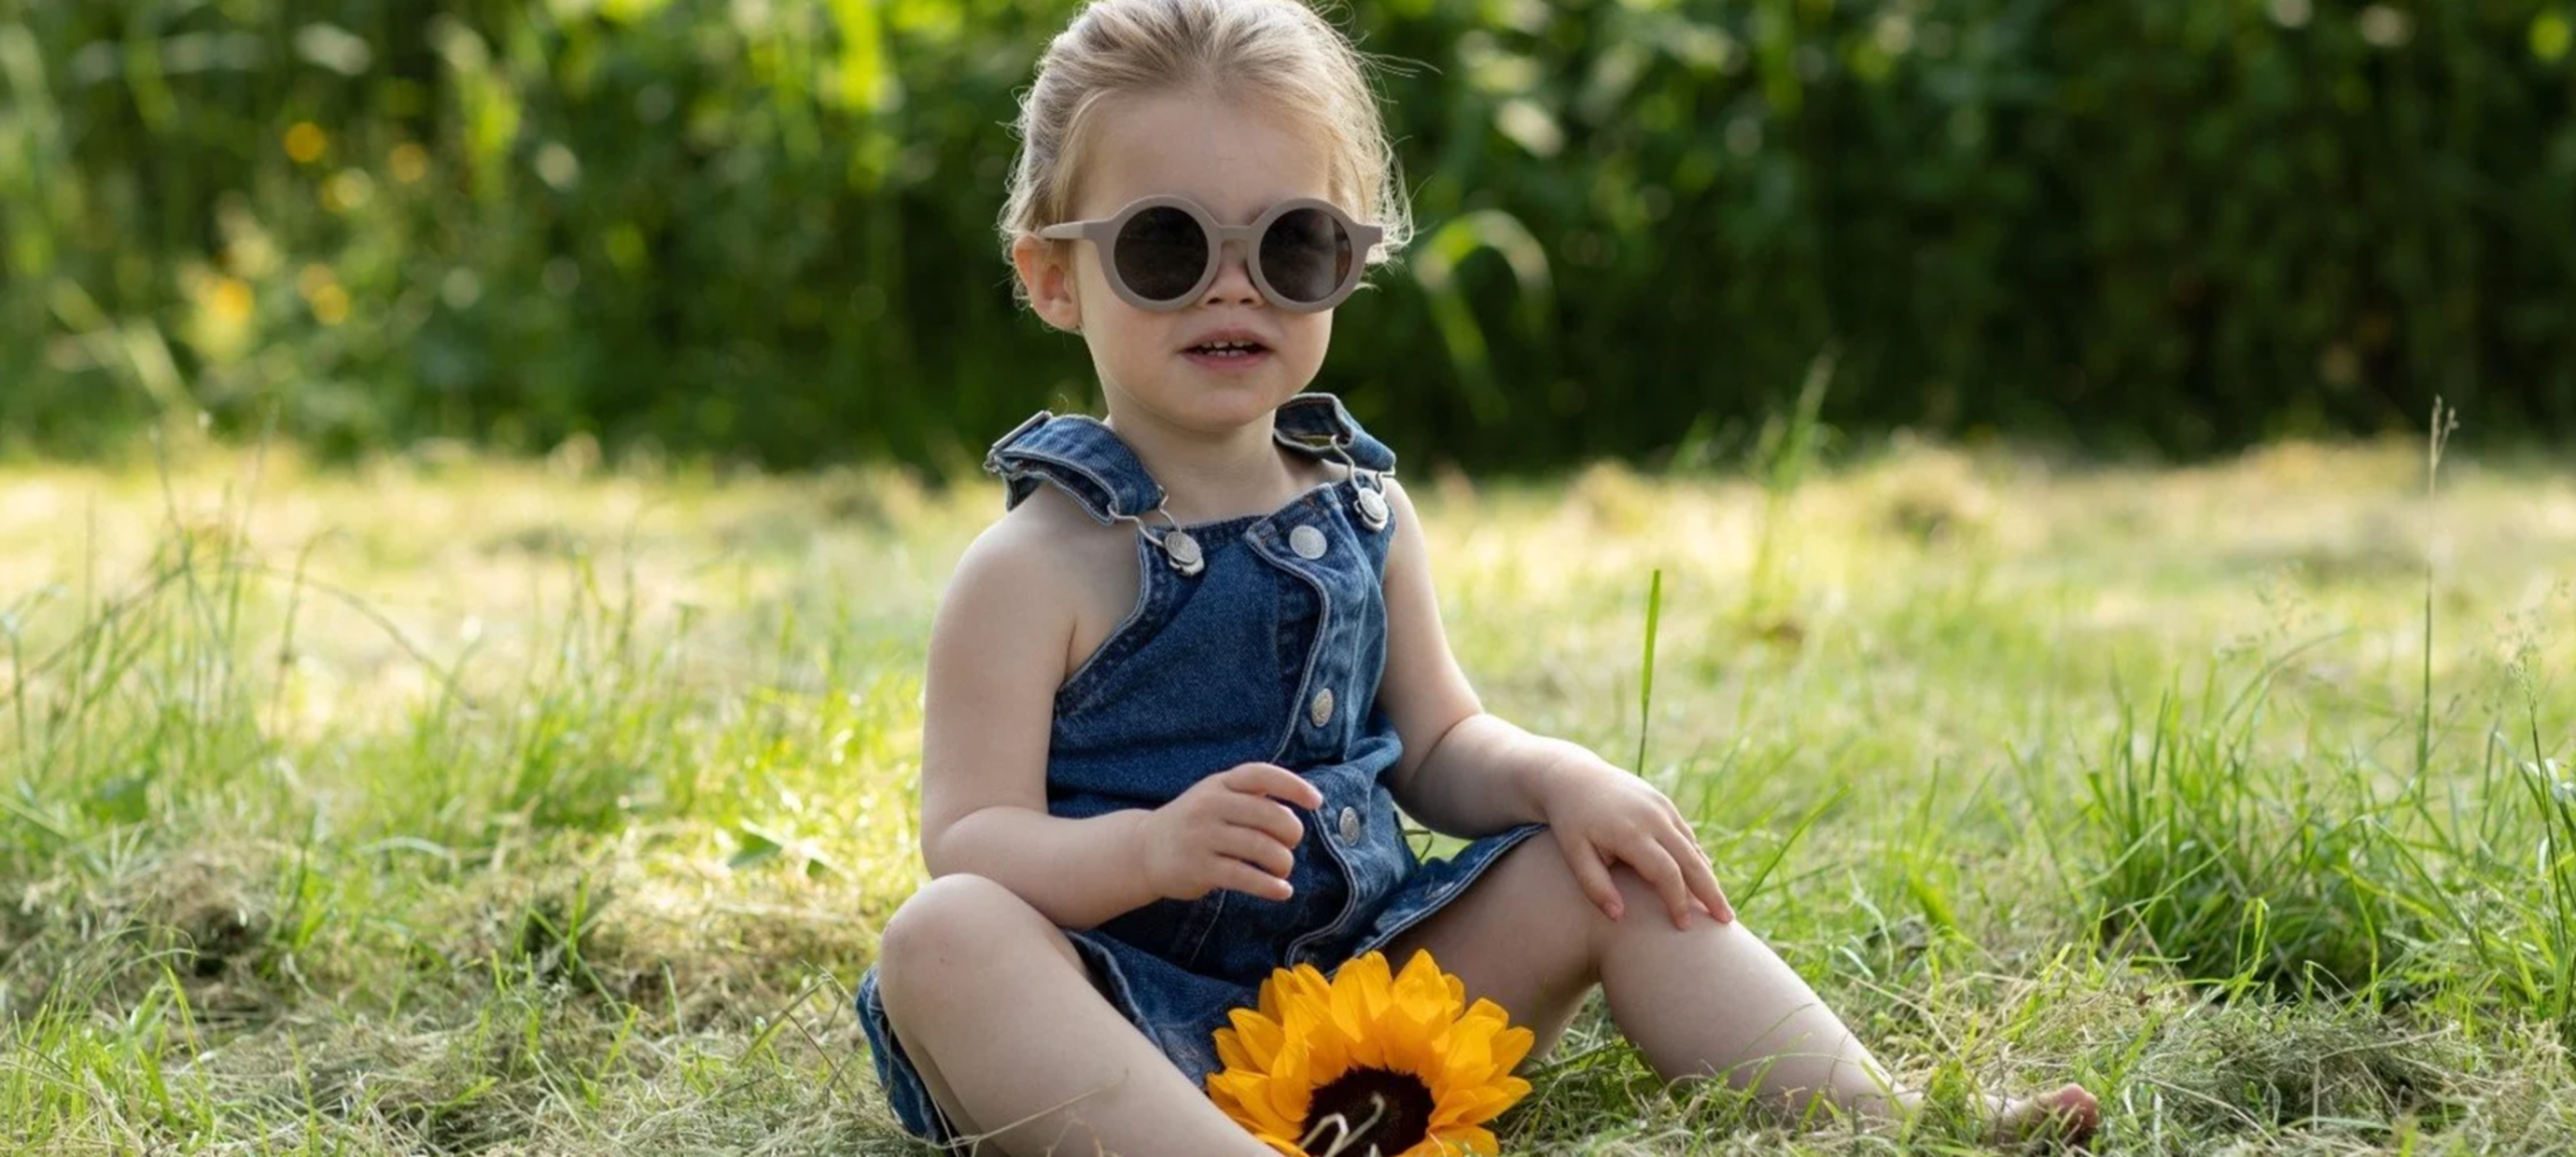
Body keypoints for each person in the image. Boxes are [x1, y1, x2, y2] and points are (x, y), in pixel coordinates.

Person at [855, 1, 2102, 1152]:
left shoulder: (1362, 509)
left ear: (1351, 262)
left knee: (1596, 863)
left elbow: (1441, 742)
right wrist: (1146, 851)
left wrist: (1565, 780)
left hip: (1373, 1002)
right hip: (1121, 1027)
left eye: (1293, 244)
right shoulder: (1035, 565)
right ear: (1055, 276)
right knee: (943, 942)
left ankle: (1888, 1119)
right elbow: (971, 841)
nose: (1233, 282)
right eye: (1166, 245)